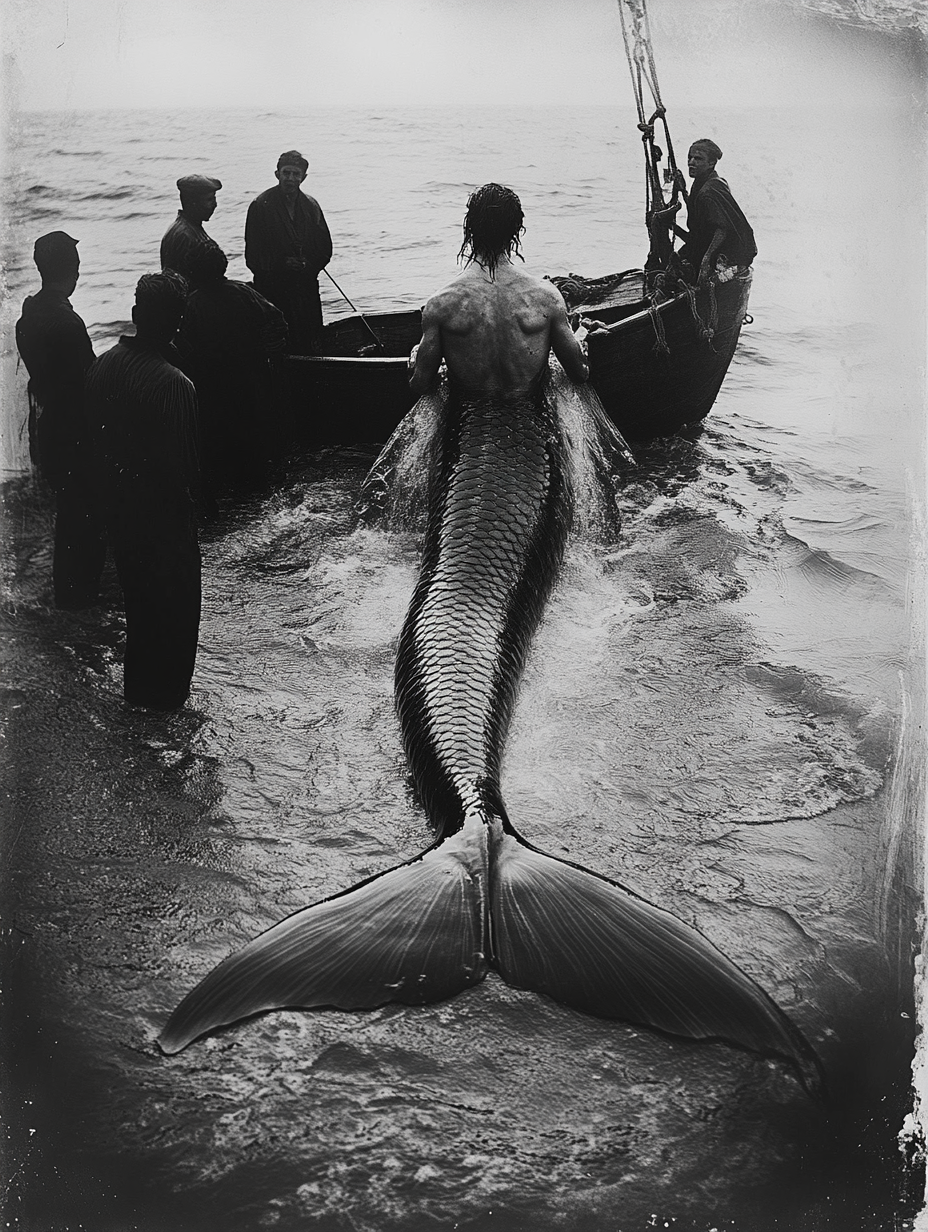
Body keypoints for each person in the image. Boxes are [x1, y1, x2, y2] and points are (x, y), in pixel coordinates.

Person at [85, 272, 202, 711]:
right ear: (178, 323)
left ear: (135, 315)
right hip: (165, 523)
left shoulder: (102, 365)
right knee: (174, 625)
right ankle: (166, 717)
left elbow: (93, 447)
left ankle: (136, 702)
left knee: (140, 617)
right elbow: (185, 472)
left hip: (120, 514)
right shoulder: (175, 384)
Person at [408, 182, 589, 399]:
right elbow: (580, 373)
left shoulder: (440, 304)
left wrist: (415, 354)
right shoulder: (547, 298)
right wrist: (582, 335)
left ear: (470, 230)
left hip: (473, 414)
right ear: (516, 231)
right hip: (524, 411)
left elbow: (419, 384)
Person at [15, 231, 107, 608]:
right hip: (73, 431)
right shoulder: (68, 324)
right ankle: (78, 596)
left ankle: (70, 592)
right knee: (84, 516)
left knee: (70, 513)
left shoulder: (29, 314)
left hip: (48, 426)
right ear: (74, 270)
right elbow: (89, 381)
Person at [176, 244, 289, 493]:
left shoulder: (192, 304)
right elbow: (277, 321)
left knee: (221, 434)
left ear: (192, 273)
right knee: (253, 429)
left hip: (212, 381)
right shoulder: (242, 292)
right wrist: (267, 350)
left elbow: (184, 346)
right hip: (250, 375)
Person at [244, 150, 332, 354]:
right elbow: (252, 257)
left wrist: (308, 265)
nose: (290, 179)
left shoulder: (311, 206)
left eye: (295, 174)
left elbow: (325, 248)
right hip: (274, 291)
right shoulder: (260, 206)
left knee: (311, 342)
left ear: (303, 177)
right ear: (277, 174)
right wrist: (281, 264)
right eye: (286, 173)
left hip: (306, 289)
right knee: (278, 345)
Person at [672, 139, 756, 285]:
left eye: (698, 159)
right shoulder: (709, 181)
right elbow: (701, 215)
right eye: (689, 157)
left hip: (727, 254)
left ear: (711, 163)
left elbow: (722, 229)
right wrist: (684, 192)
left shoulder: (709, 191)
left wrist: (706, 261)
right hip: (708, 245)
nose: (691, 162)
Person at [160, 174, 225, 288]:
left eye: (214, 198)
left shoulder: (190, 228)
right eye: (209, 199)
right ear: (192, 202)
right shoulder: (184, 236)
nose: (215, 204)